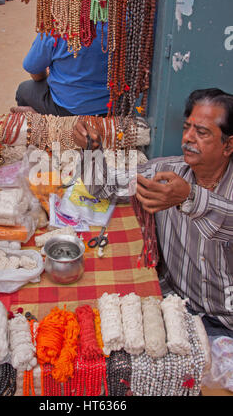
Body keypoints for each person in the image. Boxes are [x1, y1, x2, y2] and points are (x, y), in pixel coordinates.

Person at [73, 88, 233, 338]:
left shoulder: (183, 188)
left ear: (228, 145)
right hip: (179, 309)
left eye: (201, 132)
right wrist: (92, 149)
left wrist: (188, 197)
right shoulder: (165, 172)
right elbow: (102, 186)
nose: (188, 138)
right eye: (186, 128)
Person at [13, 23, 110, 117]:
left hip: (66, 108)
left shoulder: (58, 23)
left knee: (23, 90)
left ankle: (39, 123)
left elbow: (35, 73)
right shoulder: (121, 20)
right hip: (112, 105)